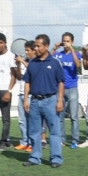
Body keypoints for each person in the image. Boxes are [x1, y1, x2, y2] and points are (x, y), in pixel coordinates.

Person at [22, 34, 65, 167]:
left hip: (50, 101)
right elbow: (27, 82)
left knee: (54, 131)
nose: (36, 48)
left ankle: (56, 159)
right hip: (35, 101)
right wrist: (26, 99)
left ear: (46, 46)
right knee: (34, 131)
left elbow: (61, 82)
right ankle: (35, 157)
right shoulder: (32, 63)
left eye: (38, 46)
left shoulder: (55, 62)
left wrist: (59, 101)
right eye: (35, 45)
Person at [53, 32, 83, 149]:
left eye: (68, 41)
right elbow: (47, 59)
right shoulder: (58, 54)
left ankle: (75, 140)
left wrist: (72, 50)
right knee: (59, 115)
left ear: (72, 42)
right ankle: (62, 139)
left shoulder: (76, 54)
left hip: (72, 88)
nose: (66, 43)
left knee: (74, 116)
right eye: (64, 41)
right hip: (59, 89)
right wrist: (54, 48)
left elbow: (78, 65)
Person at [14, 41, 36, 151]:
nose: (26, 52)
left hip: (31, 95)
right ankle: (24, 141)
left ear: (33, 50)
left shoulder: (35, 62)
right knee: (22, 121)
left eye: (28, 50)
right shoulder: (25, 62)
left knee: (31, 121)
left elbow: (32, 70)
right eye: (25, 50)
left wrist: (21, 61)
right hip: (21, 94)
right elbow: (19, 77)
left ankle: (32, 143)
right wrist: (18, 64)